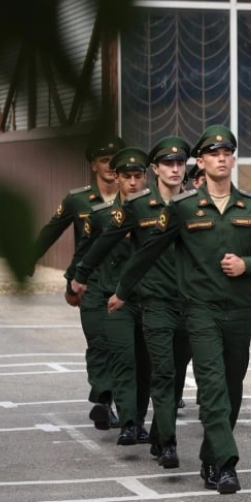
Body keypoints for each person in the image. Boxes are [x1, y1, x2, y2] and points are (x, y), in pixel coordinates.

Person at [111, 125, 251, 495]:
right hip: (200, 312)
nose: (221, 159)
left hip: (239, 313)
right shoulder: (184, 208)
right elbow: (149, 251)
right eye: (213, 154)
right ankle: (226, 464)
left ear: (232, 160)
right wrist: (122, 291)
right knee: (213, 386)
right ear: (200, 162)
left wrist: (247, 266)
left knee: (232, 388)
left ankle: (210, 457)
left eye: (227, 153)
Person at [75, 136, 195, 467]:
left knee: (173, 372)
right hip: (149, 300)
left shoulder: (199, 205)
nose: (175, 169)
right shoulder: (138, 207)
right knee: (154, 369)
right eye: (168, 163)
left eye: (179, 163)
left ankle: (156, 431)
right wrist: (81, 274)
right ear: (155, 169)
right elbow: (104, 242)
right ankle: (157, 436)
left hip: (190, 303)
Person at [33, 133, 124, 431]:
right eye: (104, 160)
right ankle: (103, 401)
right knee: (99, 342)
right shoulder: (78, 200)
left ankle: (126, 405)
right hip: (91, 282)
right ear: (93, 165)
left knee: (126, 345)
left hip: (127, 283)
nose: (110, 166)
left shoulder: (136, 199)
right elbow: (51, 230)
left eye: (115, 161)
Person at [75, 147, 152, 447]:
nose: (132, 182)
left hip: (150, 299)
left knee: (145, 366)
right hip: (115, 300)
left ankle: (139, 421)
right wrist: (76, 282)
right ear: (117, 178)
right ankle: (128, 423)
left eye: (137, 176)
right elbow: (86, 255)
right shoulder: (101, 217)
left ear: (145, 177)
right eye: (126, 176)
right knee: (123, 361)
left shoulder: (161, 213)